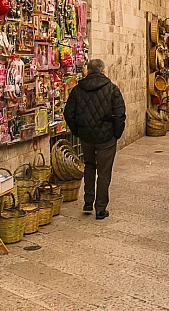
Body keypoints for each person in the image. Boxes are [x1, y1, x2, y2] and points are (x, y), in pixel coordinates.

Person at [63, 58, 125, 220]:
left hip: (86, 136)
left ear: (87, 71)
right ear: (103, 71)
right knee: (104, 172)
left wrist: (78, 131)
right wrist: (116, 133)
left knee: (89, 166)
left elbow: (68, 113)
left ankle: (88, 201)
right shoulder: (112, 89)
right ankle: (100, 207)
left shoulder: (78, 89)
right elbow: (119, 114)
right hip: (106, 137)